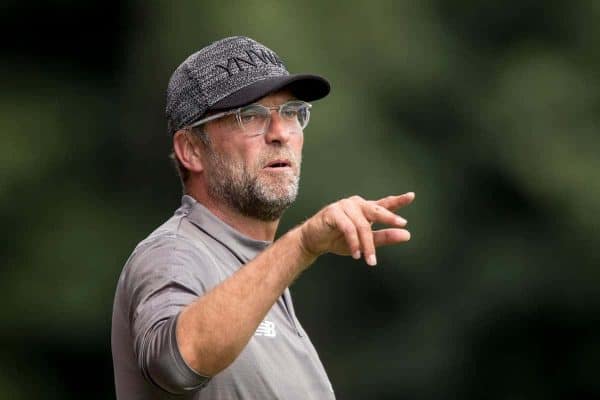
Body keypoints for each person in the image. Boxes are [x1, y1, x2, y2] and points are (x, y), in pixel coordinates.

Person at [111, 36, 414, 400]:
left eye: (291, 113)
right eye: (251, 116)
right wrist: (302, 245)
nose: (280, 134)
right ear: (191, 150)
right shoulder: (174, 253)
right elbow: (177, 362)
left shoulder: (256, 273)